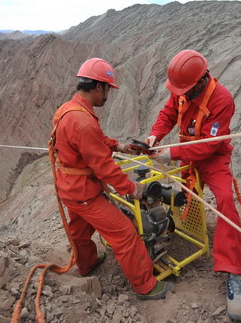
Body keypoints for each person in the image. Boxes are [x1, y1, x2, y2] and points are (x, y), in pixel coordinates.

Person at [50, 57, 173, 300]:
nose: (107, 94)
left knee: (79, 230)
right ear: (97, 87)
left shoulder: (69, 109)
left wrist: (120, 146)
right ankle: (146, 286)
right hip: (84, 193)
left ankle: (87, 264)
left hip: (70, 189)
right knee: (125, 234)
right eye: (107, 88)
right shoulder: (83, 122)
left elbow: (92, 143)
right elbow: (105, 169)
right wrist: (133, 189)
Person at [145, 50, 241, 321]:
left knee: (225, 200)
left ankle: (234, 273)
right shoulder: (184, 88)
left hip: (213, 158)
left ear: (202, 80)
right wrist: (155, 135)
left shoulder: (222, 100)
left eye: (187, 91)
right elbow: (168, 114)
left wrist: (172, 154)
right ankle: (188, 232)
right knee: (186, 197)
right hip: (187, 154)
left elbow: (208, 146)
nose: (183, 95)